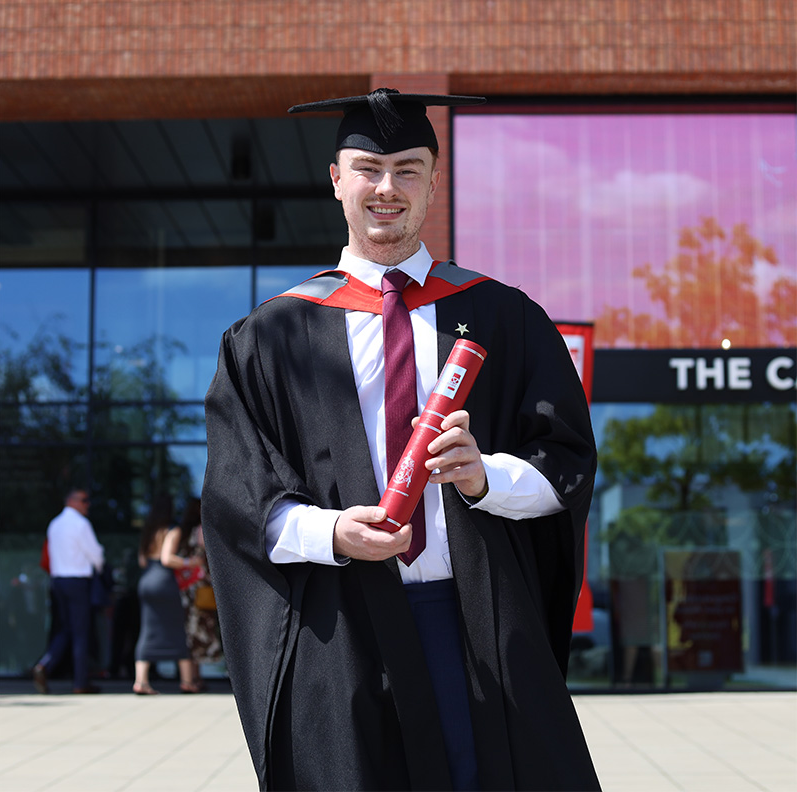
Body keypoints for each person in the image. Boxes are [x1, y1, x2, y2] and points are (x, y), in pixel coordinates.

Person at [203, 89, 601, 791]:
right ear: (336, 181)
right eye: (367, 168)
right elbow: (237, 497)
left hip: (472, 618)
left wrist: (485, 478)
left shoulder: (502, 318)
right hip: (340, 624)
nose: (388, 188)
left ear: (434, 183)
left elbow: (567, 461)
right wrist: (328, 530)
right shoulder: (270, 338)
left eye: (409, 169)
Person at [33, 488, 104, 694]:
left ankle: (44, 665)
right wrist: (100, 570)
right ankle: (80, 682)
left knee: (65, 628)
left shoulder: (54, 524)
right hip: (77, 581)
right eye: (84, 500)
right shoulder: (81, 524)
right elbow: (96, 555)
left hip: (57, 581)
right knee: (80, 632)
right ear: (71, 501)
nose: (87, 504)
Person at [132, 494, 202, 695]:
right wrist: (190, 563)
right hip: (164, 582)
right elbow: (167, 559)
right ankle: (187, 681)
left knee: (147, 629)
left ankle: (141, 681)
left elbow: (142, 561)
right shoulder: (173, 530)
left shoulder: (148, 531)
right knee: (177, 628)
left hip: (146, 581)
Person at [171, 497, 222, 689]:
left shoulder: (182, 533)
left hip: (186, 587)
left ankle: (192, 677)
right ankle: (192, 679)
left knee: (190, 630)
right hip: (201, 587)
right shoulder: (201, 530)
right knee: (198, 631)